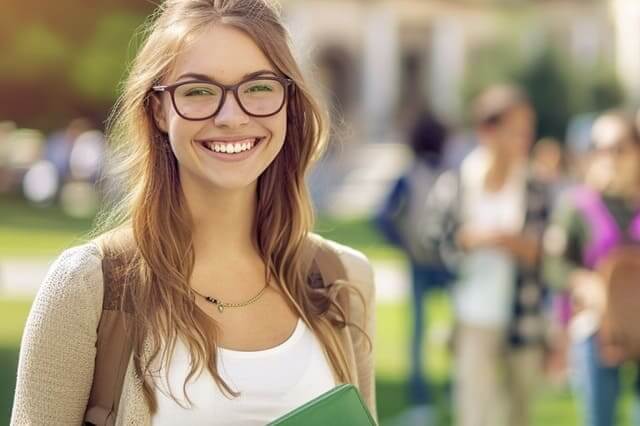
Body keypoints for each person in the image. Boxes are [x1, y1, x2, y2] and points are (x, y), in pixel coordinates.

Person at [10, 1, 377, 424]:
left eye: (259, 87)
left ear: (289, 103)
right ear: (158, 110)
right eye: (198, 91)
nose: (231, 116)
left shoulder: (344, 279)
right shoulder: (87, 288)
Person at [423, 84, 550, 426]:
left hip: (522, 317)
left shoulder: (536, 186)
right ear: (488, 131)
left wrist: (507, 241)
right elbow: (435, 245)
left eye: (528, 131)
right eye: (517, 131)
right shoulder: (458, 184)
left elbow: (548, 253)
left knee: (518, 416)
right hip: (473, 315)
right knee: (475, 414)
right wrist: (467, 243)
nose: (525, 139)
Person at [543, 110, 640, 426]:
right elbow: (553, 264)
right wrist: (583, 281)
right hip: (596, 328)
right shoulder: (577, 205)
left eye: (618, 148)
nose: (608, 157)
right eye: (598, 147)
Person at [374, 109, 451, 424]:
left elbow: (382, 216)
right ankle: (446, 388)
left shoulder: (409, 175)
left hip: (420, 260)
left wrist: (403, 244)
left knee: (419, 330)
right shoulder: (450, 174)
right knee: (450, 330)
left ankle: (421, 393)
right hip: (445, 262)